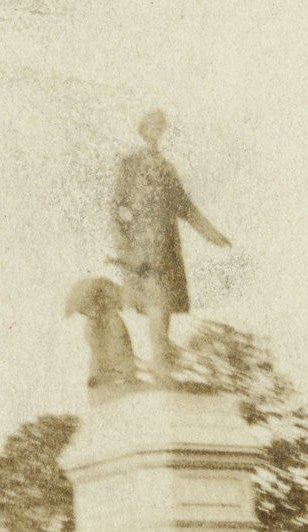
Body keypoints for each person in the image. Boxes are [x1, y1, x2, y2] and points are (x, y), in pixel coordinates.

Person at [111, 109, 231, 382]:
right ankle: (158, 364)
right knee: (157, 303)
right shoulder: (130, 165)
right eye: (152, 128)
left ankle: (159, 362)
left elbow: (186, 207)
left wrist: (212, 234)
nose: (156, 133)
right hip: (142, 249)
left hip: (166, 248)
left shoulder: (167, 168)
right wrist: (124, 248)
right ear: (143, 131)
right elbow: (117, 208)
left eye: (160, 128)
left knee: (163, 306)